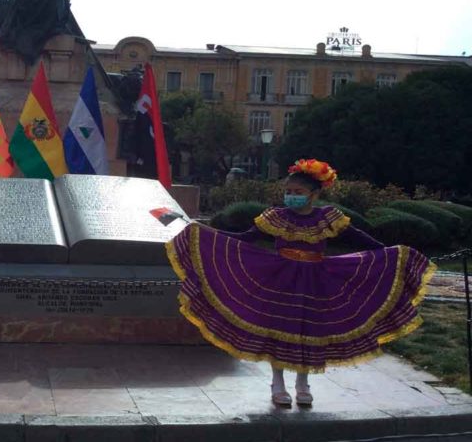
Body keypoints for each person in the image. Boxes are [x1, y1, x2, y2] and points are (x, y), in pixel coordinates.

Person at [166, 159, 436, 407]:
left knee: (310, 331)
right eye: (288, 191)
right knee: (278, 329)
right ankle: (278, 384)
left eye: (297, 191)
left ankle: (303, 383)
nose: (291, 196)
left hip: (316, 278)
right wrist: (205, 232)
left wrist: (391, 252)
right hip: (280, 278)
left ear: (314, 194)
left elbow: (359, 239)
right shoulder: (276, 216)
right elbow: (245, 238)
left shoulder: (327, 217)